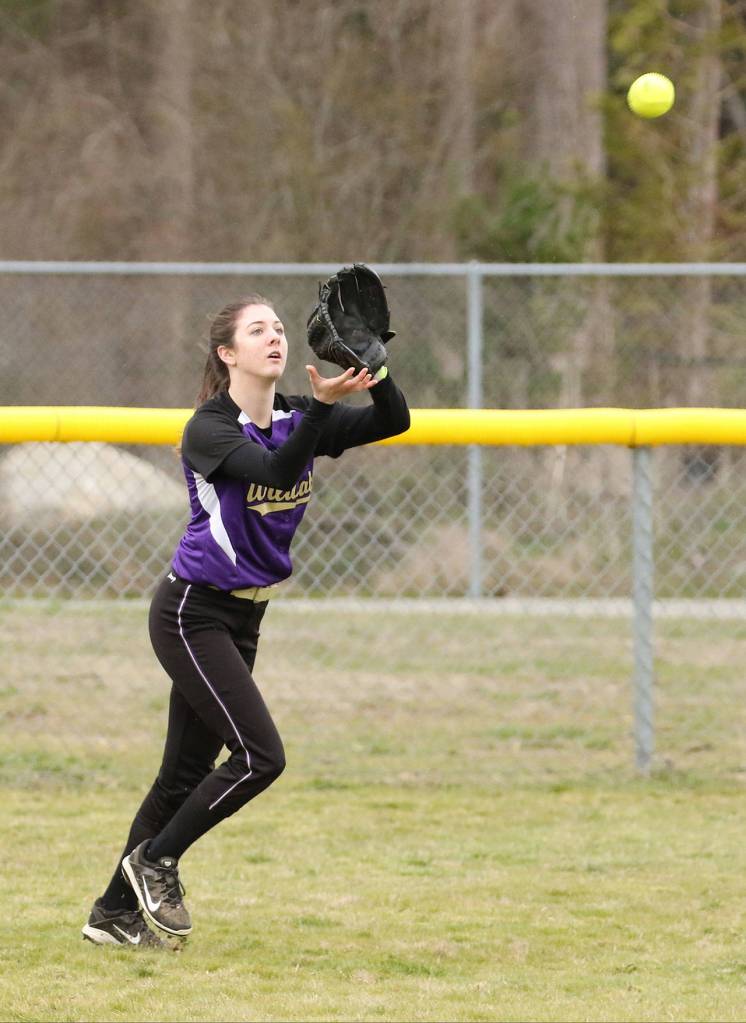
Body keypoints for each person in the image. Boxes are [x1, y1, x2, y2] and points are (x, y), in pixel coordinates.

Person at [82, 292, 410, 948]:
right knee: (262, 756)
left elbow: (393, 420)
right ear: (228, 353)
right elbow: (273, 467)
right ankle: (156, 860)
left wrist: (372, 363)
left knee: (180, 775)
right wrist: (321, 407)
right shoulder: (209, 428)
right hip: (190, 611)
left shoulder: (296, 416)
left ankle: (112, 913)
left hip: (243, 619)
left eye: (280, 327)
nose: (275, 336)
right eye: (257, 329)